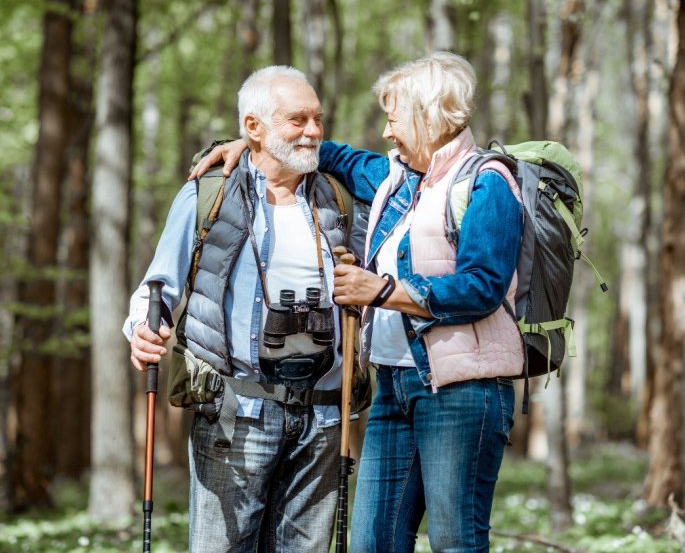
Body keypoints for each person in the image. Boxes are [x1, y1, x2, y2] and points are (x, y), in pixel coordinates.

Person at [191, 51, 525, 552]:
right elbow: (322, 152)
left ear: (427, 116)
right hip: (394, 385)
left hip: (462, 392)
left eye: (394, 118)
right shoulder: (395, 180)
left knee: (456, 541)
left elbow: (482, 287)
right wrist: (251, 140)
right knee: (373, 542)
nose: (388, 132)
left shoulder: (486, 183)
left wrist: (383, 291)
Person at [124, 65, 359, 553]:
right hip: (238, 412)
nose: (314, 131)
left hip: (321, 419)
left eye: (318, 119)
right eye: (298, 120)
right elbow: (158, 286)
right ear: (253, 127)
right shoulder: (207, 194)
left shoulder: (337, 198)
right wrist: (141, 330)